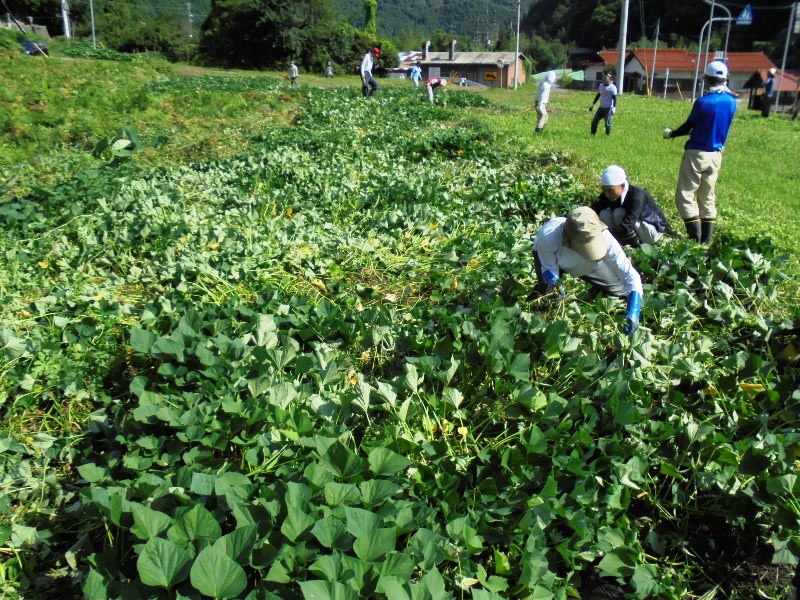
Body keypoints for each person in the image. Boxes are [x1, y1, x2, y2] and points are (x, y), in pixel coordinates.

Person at [533, 206, 644, 335]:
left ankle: (597, 288)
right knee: (548, 297)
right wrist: (555, 286)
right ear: (569, 239)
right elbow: (549, 269)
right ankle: (538, 325)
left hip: (587, 264)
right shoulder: (547, 236)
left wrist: (634, 310)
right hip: (553, 260)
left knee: (618, 290)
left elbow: (630, 274)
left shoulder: (603, 236)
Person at [663, 60, 737, 244]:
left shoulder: (703, 102)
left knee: (686, 195)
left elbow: (689, 126)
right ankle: (707, 239)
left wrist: (672, 133)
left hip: (697, 153)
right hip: (716, 154)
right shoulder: (731, 102)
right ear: (725, 79)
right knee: (707, 195)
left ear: (706, 79)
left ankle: (694, 237)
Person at [591, 165, 668, 247]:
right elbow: (594, 211)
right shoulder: (607, 195)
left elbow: (627, 225)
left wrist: (602, 232)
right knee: (604, 214)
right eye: (604, 190)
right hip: (631, 226)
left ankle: (634, 245)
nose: (607, 194)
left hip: (652, 231)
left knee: (619, 213)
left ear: (622, 186)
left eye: (610, 190)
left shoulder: (636, 196)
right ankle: (619, 241)